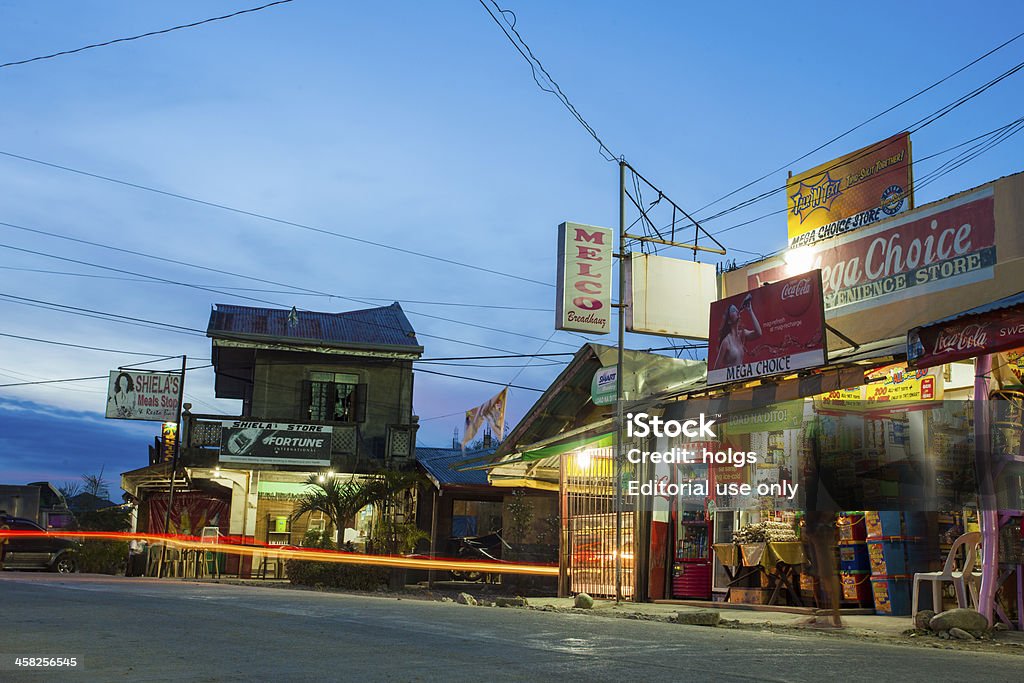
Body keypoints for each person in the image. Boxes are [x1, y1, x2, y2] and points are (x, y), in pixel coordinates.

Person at [714, 293, 762, 370]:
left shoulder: (742, 334)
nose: (736, 310)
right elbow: (715, 370)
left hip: (741, 379)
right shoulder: (726, 341)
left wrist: (750, 311)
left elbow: (758, 333)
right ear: (729, 321)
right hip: (730, 381)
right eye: (733, 310)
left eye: (736, 309)